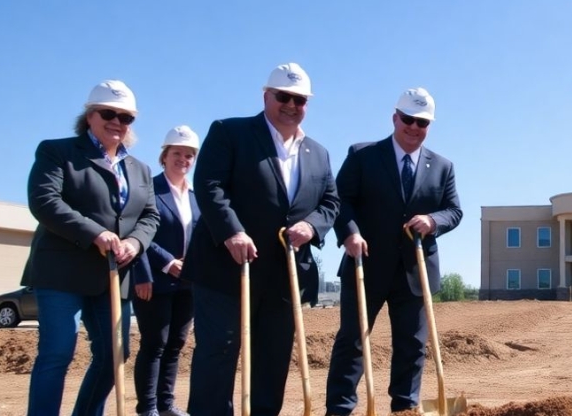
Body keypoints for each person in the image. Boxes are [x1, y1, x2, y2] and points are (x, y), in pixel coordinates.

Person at [182, 62, 340, 415]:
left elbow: (331, 201)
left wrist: (313, 226)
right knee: (219, 350)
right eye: (283, 96)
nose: (291, 105)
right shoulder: (229, 133)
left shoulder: (318, 153)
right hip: (226, 269)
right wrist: (231, 231)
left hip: (283, 276)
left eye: (300, 100)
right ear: (266, 95)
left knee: (272, 355)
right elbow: (209, 186)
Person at [24, 79, 160, 416]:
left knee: (114, 354)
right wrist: (95, 234)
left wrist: (135, 242)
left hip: (112, 277)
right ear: (90, 115)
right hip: (62, 274)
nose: (116, 122)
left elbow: (150, 215)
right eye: (108, 113)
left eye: (125, 117)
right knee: (57, 352)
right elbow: (45, 201)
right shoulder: (57, 152)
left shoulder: (140, 170)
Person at [325, 87, 463, 414]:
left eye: (423, 122)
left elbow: (454, 211)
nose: (414, 127)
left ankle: (404, 409)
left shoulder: (443, 166)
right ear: (395, 117)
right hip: (365, 266)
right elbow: (340, 201)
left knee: (412, 346)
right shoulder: (362, 155)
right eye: (408, 119)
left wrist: (433, 220)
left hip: (415, 270)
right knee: (352, 342)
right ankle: (339, 409)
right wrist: (350, 234)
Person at [130, 125, 201, 416]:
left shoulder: (196, 198)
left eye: (188, 155)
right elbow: (138, 232)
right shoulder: (149, 191)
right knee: (154, 343)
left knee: (176, 344)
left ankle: (165, 403)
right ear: (164, 156)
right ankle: (147, 408)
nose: (182, 159)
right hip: (155, 280)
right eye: (176, 153)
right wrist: (162, 264)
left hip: (187, 283)